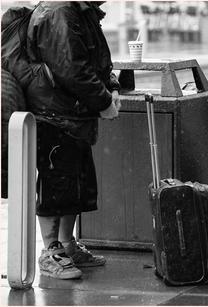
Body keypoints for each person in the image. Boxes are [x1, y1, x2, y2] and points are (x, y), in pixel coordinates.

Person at [25, 1, 121, 279]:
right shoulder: (60, 12)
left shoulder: (81, 11)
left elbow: (97, 61)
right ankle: (50, 251)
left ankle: (67, 244)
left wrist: (111, 86)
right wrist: (104, 101)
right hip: (53, 115)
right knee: (57, 185)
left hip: (74, 115)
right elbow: (71, 68)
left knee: (77, 185)